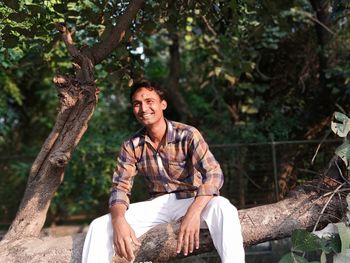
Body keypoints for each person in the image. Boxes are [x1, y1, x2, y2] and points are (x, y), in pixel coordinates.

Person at [82, 81, 245, 263]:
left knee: (224, 208)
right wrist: (119, 220)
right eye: (137, 104)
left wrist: (193, 212)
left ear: (163, 104)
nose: (143, 108)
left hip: (190, 199)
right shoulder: (131, 145)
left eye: (149, 101)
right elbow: (120, 188)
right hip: (157, 206)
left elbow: (214, 174)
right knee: (99, 227)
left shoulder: (188, 134)